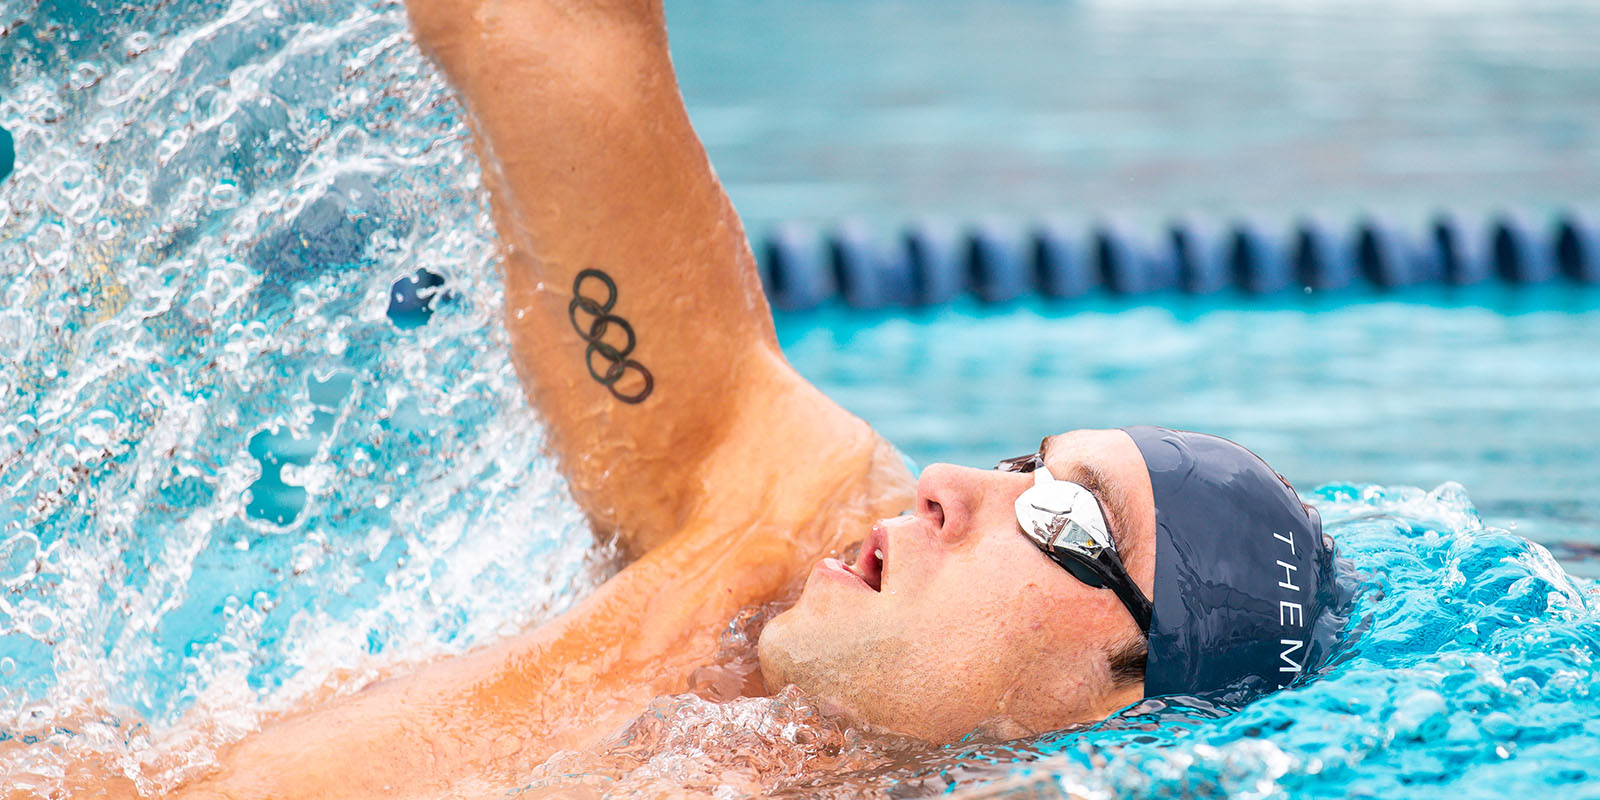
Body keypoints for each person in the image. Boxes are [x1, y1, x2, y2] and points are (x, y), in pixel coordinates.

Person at [158, 0, 1338, 796]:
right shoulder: (772, 505)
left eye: (1065, 522)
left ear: (1126, 713)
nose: (946, 485)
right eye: (1022, 465)